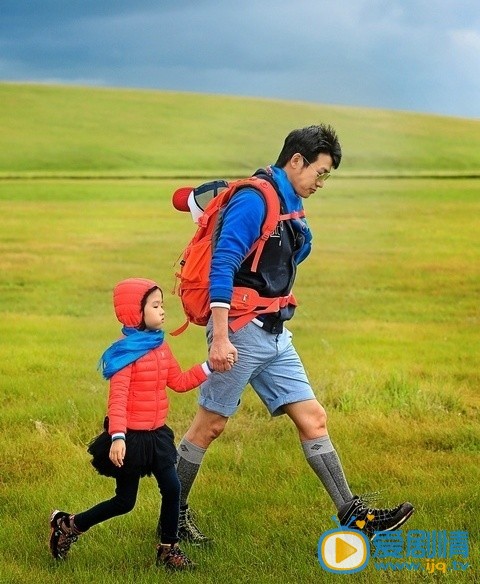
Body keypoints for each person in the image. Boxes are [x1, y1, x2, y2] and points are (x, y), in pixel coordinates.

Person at [173, 125, 414, 544]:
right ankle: (171, 516)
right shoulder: (255, 200)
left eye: (327, 177)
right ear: (296, 160)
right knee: (208, 426)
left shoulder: (291, 201)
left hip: (275, 333)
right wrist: (220, 337)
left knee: (313, 418)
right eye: (319, 173)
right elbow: (224, 263)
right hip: (240, 332)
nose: (321, 183)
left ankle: (354, 515)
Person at [49, 277, 225, 570]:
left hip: (157, 436)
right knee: (125, 501)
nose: (162, 311)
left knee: (172, 488)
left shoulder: (161, 347)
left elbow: (179, 382)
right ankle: (69, 525)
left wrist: (209, 366)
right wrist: (118, 436)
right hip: (130, 439)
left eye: (162, 305)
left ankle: (168, 550)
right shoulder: (126, 353)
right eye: (155, 306)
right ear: (136, 313)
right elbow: (117, 399)